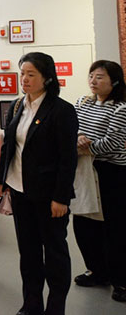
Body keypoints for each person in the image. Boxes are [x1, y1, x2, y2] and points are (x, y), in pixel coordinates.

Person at [0, 52, 78, 315]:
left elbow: (68, 159)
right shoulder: (18, 105)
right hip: (20, 190)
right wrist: (3, 179)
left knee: (54, 253)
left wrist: (61, 197)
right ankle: (31, 304)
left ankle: (55, 308)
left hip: (49, 195)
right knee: (29, 253)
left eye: (31, 74)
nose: (24, 79)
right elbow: (9, 145)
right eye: (22, 73)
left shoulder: (61, 110)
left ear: (47, 77)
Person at [72, 60, 126, 303]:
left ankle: (121, 279)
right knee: (84, 223)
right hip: (84, 170)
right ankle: (96, 271)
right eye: (91, 76)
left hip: (112, 172)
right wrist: (78, 137)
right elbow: (72, 127)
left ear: (114, 81)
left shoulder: (121, 108)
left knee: (114, 228)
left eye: (100, 77)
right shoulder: (82, 102)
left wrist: (85, 147)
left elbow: (114, 142)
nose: (93, 81)